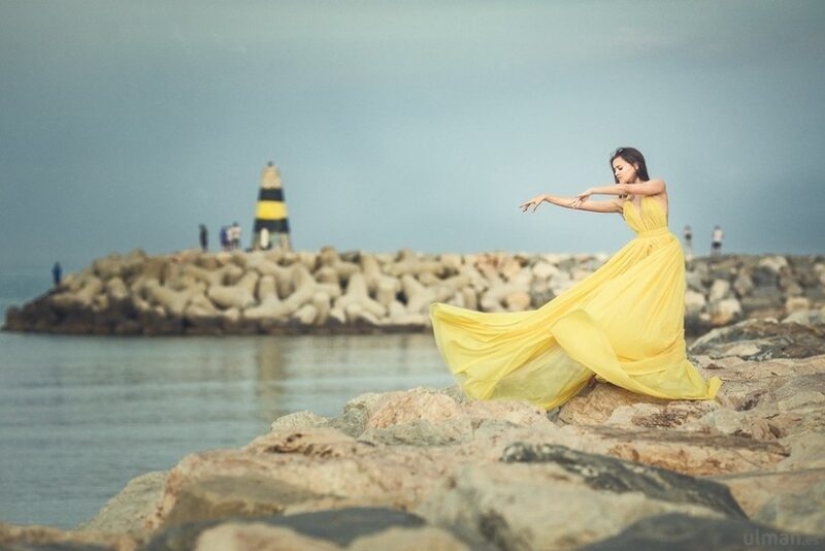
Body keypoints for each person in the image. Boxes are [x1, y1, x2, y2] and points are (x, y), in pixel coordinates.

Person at [430, 147, 720, 410]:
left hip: (664, 253)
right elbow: (578, 205)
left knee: (655, 309)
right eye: (614, 170)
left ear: (635, 164)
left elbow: (629, 188)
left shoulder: (657, 186)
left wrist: (595, 188)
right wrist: (547, 197)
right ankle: (615, 356)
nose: (617, 173)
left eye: (620, 167)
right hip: (639, 254)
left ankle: (656, 358)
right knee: (607, 303)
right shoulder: (622, 203)